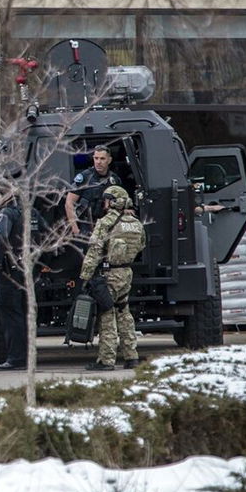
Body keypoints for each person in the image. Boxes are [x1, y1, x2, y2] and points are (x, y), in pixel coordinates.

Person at [79, 185, 146, 371]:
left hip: (110, 274)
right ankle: (131, 356)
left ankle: (107, 360)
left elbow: (94, 251)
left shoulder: (106, 222)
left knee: (107, 315)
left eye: (107, 199)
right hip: (126, 273)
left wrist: (84, 277)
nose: (104, 203)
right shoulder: (135, 223)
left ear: (112, 201)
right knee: (124, 312)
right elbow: (141, 245)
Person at [0, 195, 46, 371]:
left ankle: (16, 358)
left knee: (12, 315)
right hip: (29, 271)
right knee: (27, 312)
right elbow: (47, 235)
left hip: (10, 272)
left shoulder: (6, 214)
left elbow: (2, 237)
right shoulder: (33, 213)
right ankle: (28, 355)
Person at [65, 146, 120, 237]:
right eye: (96, 158)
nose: (98, 162)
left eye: (102, 159)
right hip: (86, 226)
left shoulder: (114, 179)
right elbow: (69, 203)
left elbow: (120, 203)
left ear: (109, 160)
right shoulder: (84, 177)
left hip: (106, 225)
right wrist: (74, 228)